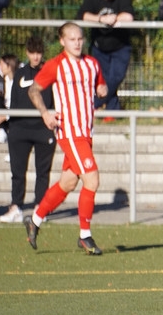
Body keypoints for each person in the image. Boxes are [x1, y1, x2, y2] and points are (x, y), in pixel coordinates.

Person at [22, 22, 107, 256]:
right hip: (70, 132)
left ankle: (35, 220)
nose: (77, 43)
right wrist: (45, 113)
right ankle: (85, 235)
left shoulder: (92, 63)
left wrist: (102, 89)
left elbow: (100, 85)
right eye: (72, 39)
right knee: (92, 179)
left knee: (68, 183)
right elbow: (33, 90)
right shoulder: (56, 65)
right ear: (62, 41)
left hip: (86, 132)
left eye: (80, 38)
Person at [0, 38, 55, 223]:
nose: (36, 57)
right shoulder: (20, 74)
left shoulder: (49, 72)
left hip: (43, 128)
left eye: (39, 53)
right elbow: (15, 102)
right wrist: (7, 118)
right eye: (32, 53)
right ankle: (16, 207)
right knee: (17, 172)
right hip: (20, 129)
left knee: (43, 172)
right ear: (27, 53)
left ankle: (40, 209)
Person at [78, 0, 134, 115]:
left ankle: (93, 104)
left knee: (115, 77)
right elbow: (83, 15)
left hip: (120, 47)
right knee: (102, 79)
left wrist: (115, 18)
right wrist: (101, 19)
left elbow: (129, 16)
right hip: (99, 47)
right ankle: (112, 112)